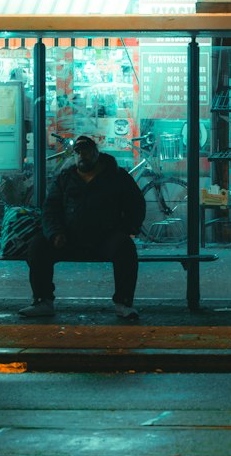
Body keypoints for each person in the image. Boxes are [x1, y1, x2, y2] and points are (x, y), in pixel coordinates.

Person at [19, 134, 147, 321]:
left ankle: (124, 303)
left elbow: (136, 205)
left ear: (96, 153)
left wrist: (126, 229)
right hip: (69, 238)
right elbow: (50, 209)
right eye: (78, 153)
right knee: (38, 246)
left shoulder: (117, 176)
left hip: (105, 238)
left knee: (125, 247)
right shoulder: (66, 177)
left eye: (86, 152)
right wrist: (55, 233)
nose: (81, 157)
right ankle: (42, 301)